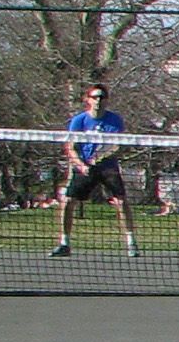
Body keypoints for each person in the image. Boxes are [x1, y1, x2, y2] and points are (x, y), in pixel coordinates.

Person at [51, 82, 135, 258]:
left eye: (102, 97)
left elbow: (117, 144)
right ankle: (64, 243)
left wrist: (100, 157)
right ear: (87, 100)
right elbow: (70, 147)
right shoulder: (79, 121)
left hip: (108, 168)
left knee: (121, 201)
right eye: (95, 97)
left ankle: (131, 242)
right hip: (84, 167)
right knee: (67, 201)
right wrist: (81, 165)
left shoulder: (115, 120)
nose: (98, 100)